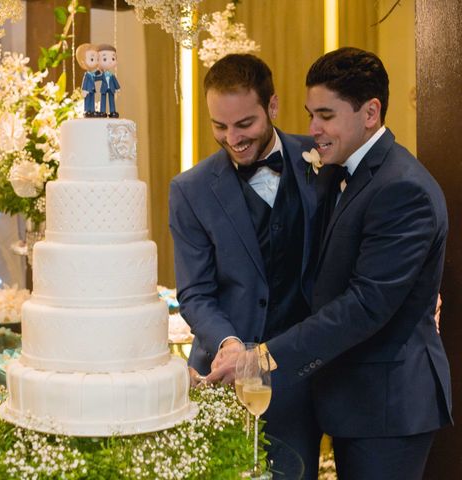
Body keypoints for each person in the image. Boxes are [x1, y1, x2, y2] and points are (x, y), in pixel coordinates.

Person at [265, 47, 453, 480]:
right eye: (311, 114)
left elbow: (366, 305)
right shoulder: (342, 169)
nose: (313, 129)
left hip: (389, 404)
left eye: (325, 116)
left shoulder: (403, 189)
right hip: (354, 397)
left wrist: (265, 357)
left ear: (370, 112)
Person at [168, 53, 322, 479]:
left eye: (244, 124)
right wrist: (229, 344)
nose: (232, 138)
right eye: (220, 126)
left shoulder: (322, 161)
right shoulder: (189, 190)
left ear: (272, 106)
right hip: (224, 378)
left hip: (298, 375)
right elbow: (195, 293)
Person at [76, 43, 102, 117]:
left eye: (97, 59)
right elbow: (85, 82)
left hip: (92, 90)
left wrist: (101, 75)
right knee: (87, 101)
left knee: (92, 100)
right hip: (87, 90)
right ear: (83, 62)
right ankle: (87, 110)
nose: (96, 62)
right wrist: (84, 90)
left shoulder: (92, 74)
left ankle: (92, 110)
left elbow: (96, 78)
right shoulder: (87, 75)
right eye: (92, 59)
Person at [97, 44, 120, 118]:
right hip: (104, 89)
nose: (110, 62)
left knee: (111, 100)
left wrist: (118, 88)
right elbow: (96, 78)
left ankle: (112, 111)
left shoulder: (111, 75)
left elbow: (115, 82)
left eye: (113, 59)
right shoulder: (101, 74)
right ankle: (102, 111)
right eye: (105, 59)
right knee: (103, 100)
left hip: (111, 89)